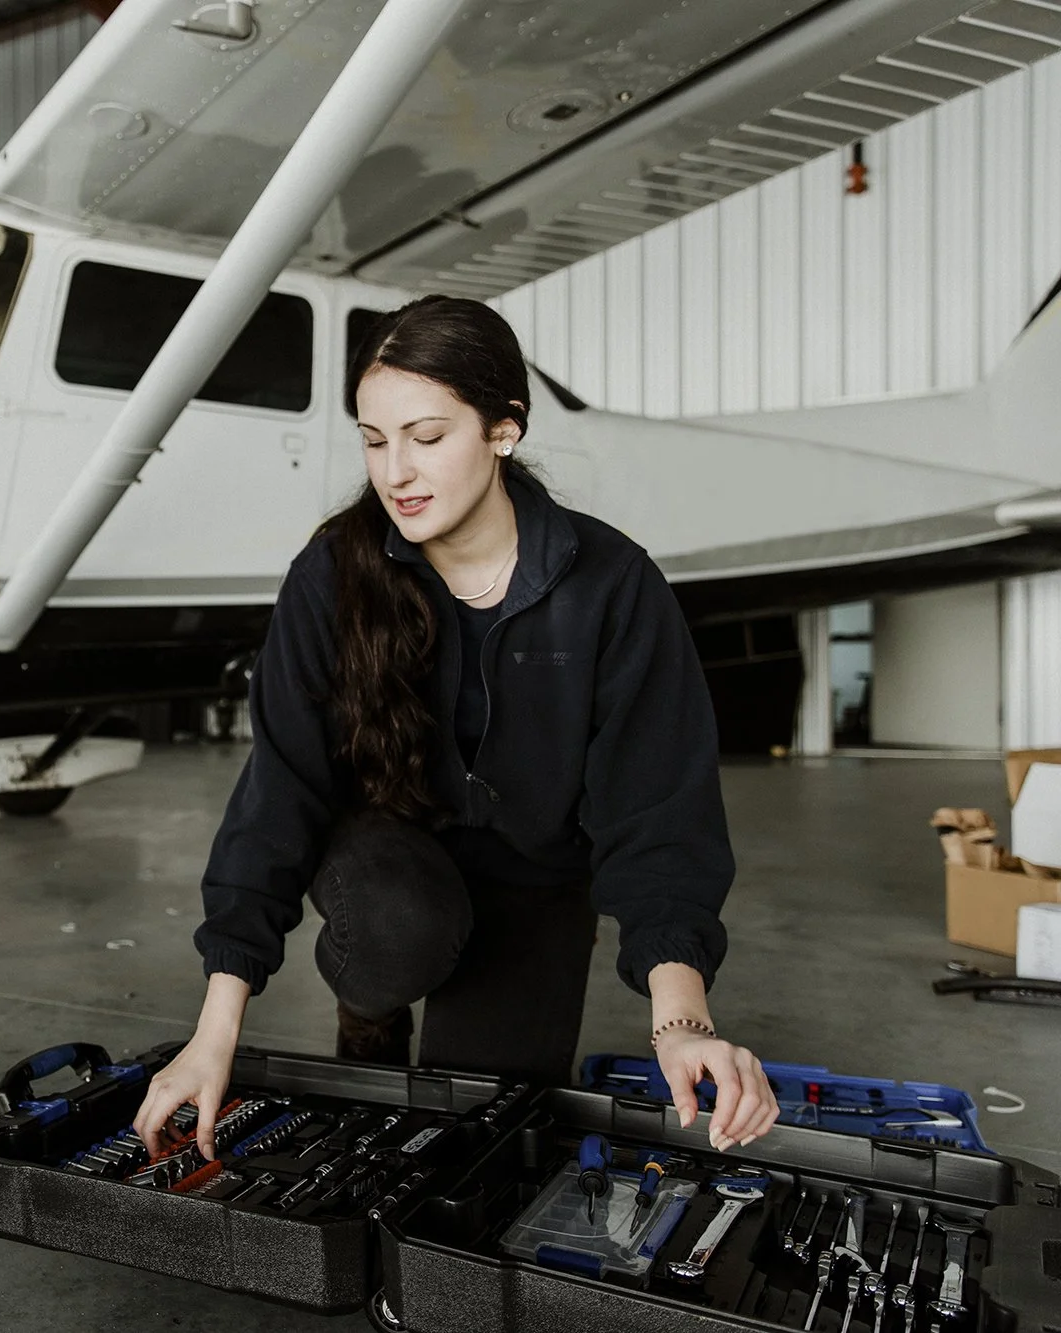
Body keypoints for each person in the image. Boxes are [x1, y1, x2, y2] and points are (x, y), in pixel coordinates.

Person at [134, 296, 780, 1161]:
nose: (395, 470)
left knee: (476, 1138)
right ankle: (370, 1007)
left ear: (504, 429)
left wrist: (682, 1023)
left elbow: (660, 815)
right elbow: (279, 792)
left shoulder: (613, 585)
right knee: (400, 930)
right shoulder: (332, 574)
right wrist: (215, 1033)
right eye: (373, 439)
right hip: (385, 854)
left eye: (426, 436)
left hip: (539, 878)